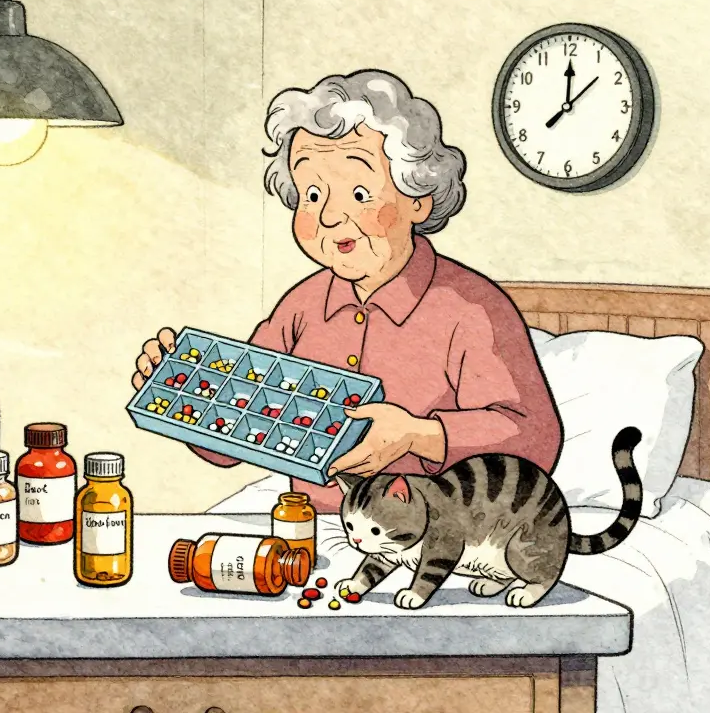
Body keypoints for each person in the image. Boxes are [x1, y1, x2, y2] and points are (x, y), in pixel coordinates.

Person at [131, 70, 562, 513]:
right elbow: (235, 435)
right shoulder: (301, 306)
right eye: (312, 195)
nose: (330, 216)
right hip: (306, 523)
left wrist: (417, 436)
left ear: (418, 200)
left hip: (432, 534)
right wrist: (184, 389)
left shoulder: (471, 307)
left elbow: (533, 438)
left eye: (359, 193)